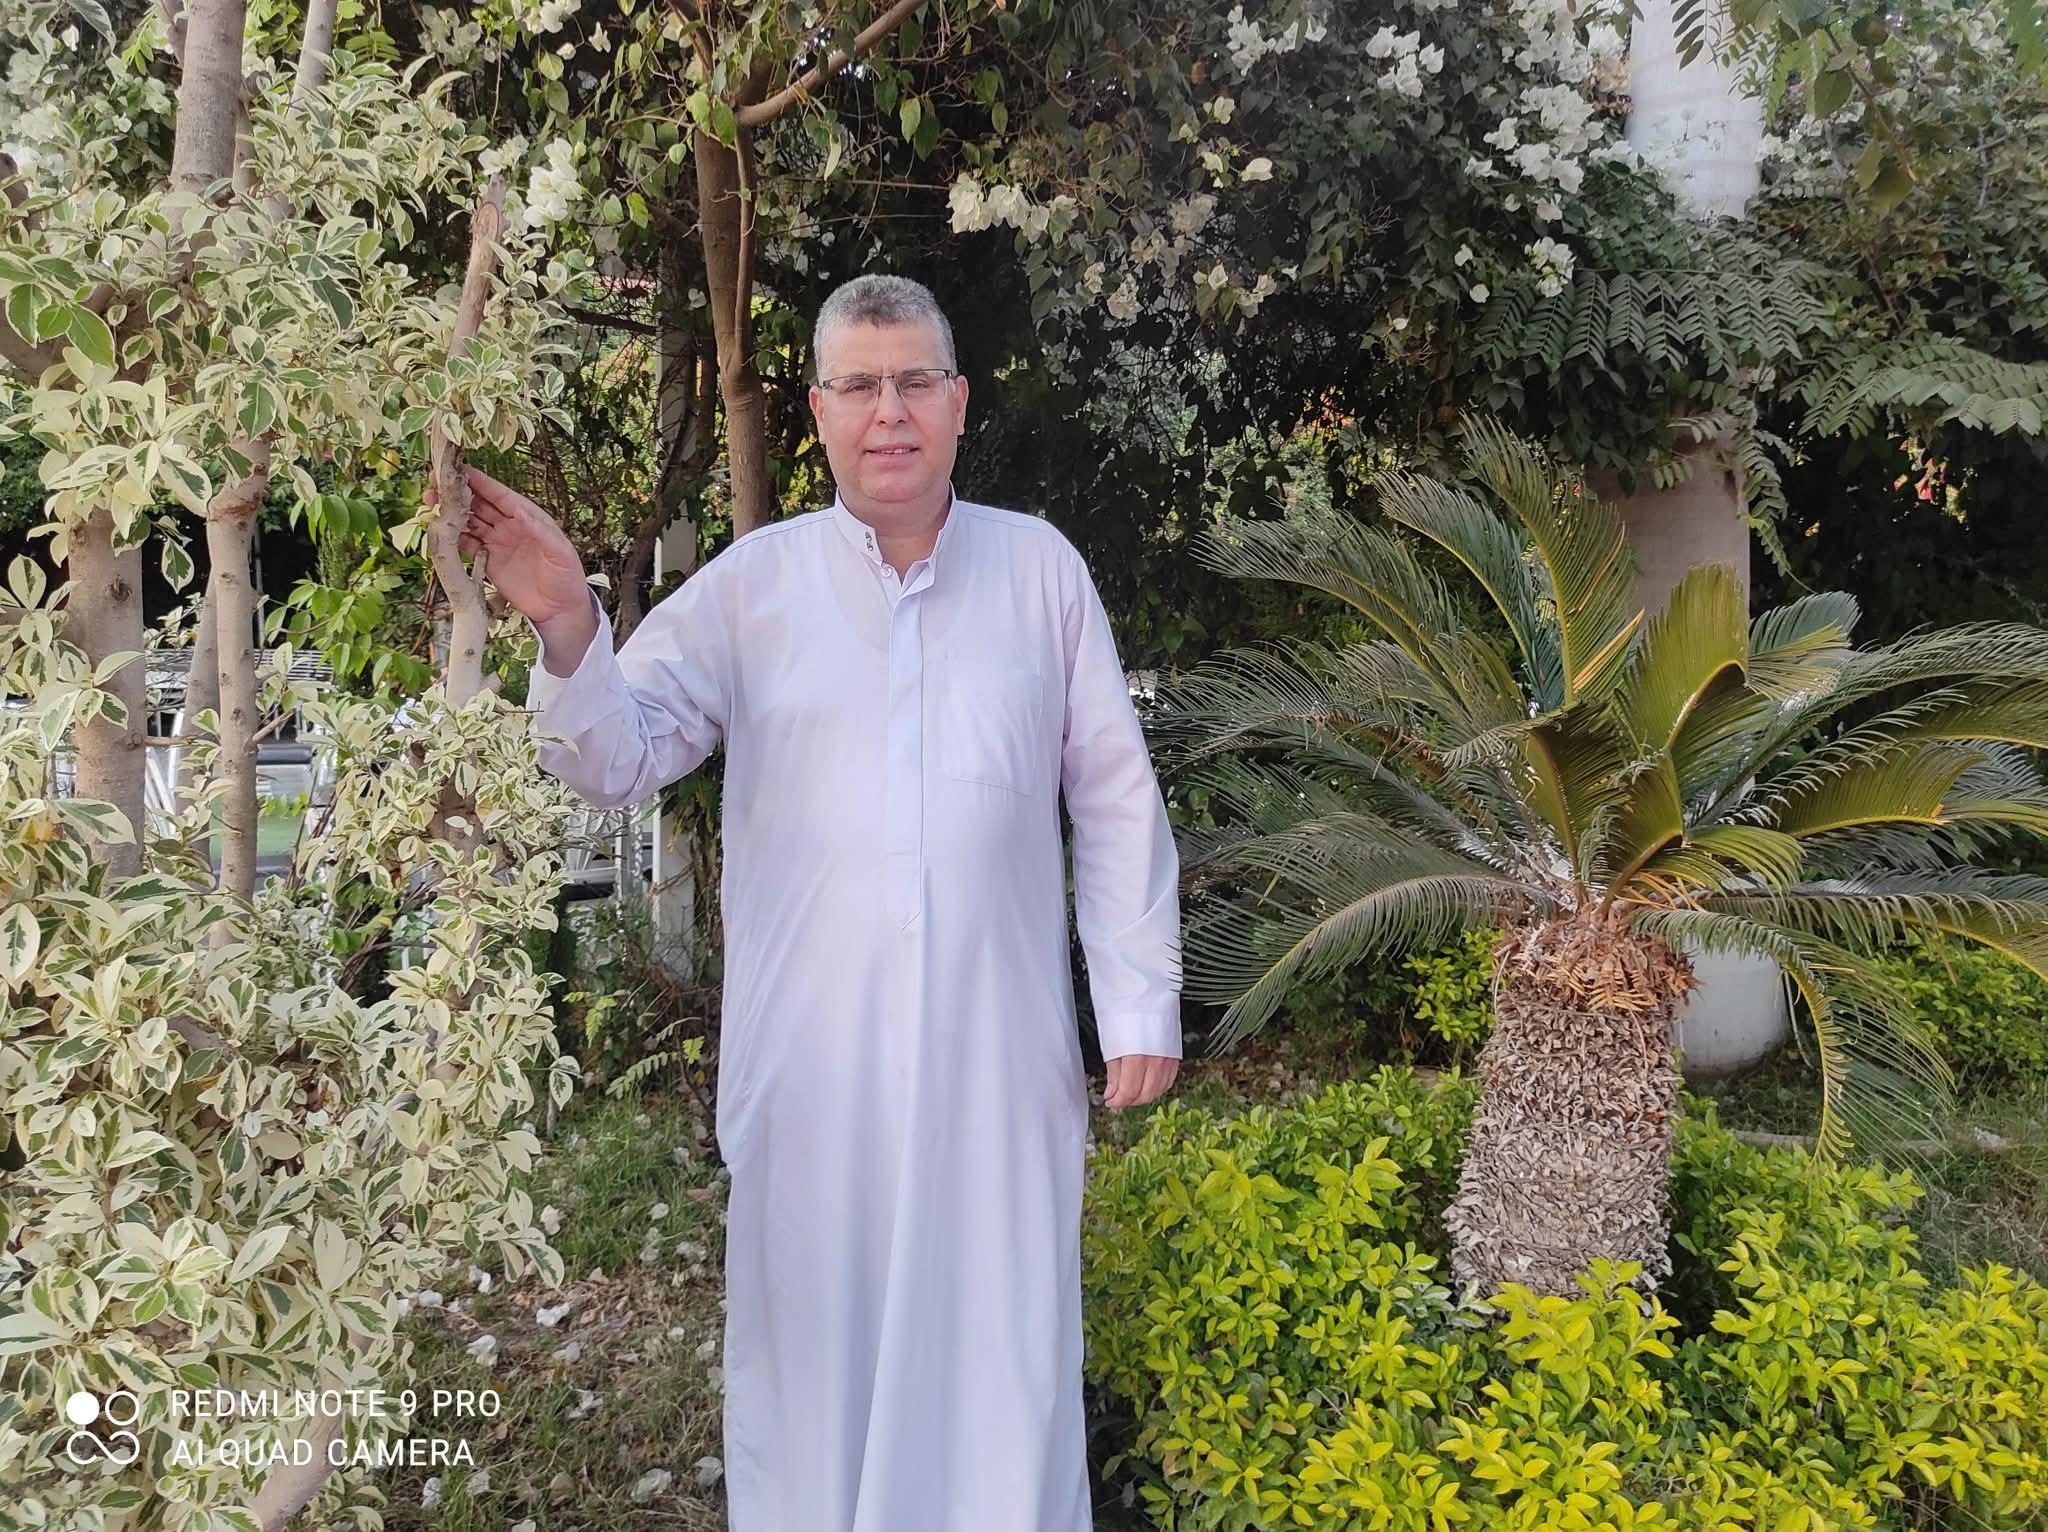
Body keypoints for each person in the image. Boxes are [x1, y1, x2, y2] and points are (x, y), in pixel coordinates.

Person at [447, 273, 1183, 1530]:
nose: (888, 410)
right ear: (819, 412)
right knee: (811, 1384)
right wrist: (567, 618)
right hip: (810, 1076)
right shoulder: (755, 585)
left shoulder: (1039, 572)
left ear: (958, 403)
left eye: (913, 382)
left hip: (994, 1067)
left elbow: (1112, 794)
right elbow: (615, 756)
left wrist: (1136, 1003)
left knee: (997, 1367)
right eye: (859, 385)